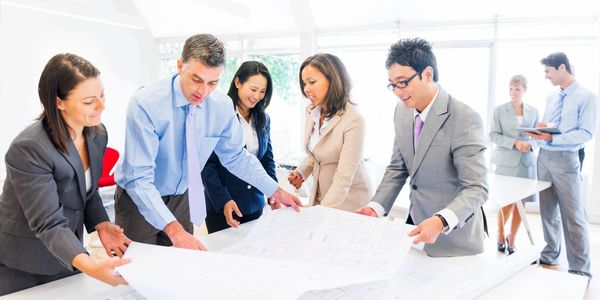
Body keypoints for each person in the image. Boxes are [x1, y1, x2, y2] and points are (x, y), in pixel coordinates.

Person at [114, 34, 301, 250]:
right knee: (138, 267)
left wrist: (275, 190)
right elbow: (139, 178)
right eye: (196, 79)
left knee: (180, 264)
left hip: (182, 197)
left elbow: (236, 157)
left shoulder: (221, 105)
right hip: (139, 197)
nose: (203, 92)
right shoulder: (146, 103)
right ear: (179, 65)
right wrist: (174, 230)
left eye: (212, 83)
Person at [0, 53, 131, 295]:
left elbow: (87, 193)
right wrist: (91, 266)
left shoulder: (96, 133)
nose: (102, 106)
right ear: (59, 102)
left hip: (67, 250)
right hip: (23, 260)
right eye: (89, 100)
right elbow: (48, 222)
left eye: (102, 95)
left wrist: (102, 224)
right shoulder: (29, 148)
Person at [355, 38, 488, 257]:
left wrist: (441, 220)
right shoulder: (401, 111)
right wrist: (375, 207)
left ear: (427, 74)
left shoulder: (464, 118)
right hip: (413, 228)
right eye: (392, 84)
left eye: (403, 82)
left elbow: (477, 187)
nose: (398, 91)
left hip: (453, 238)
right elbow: (398, 168)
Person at [526, 52, 596, 278]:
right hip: (544, 158)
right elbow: (553, 125)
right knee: (547, 212)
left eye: (548, 71)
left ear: (562, 68)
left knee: (573, 215)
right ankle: (550, 254)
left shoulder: (587, 97)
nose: (546, 76)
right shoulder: (551, 96)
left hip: (566, 160)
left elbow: (585, 133)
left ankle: (579, 268)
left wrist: (552, 138)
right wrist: (542, 129)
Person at [287, 53, 373, 211]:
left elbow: (343, 178)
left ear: (333, 80)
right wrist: (301, 172)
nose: (306, 89)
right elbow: (317, 154)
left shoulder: (353, 120)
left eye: (312, 82)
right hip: (322, 197)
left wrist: (319, 213)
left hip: (350, 202)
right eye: (304, 83)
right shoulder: (312, 112)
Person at [201, 61, 278, 233]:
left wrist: (273, 191)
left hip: (255, 203)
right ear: (237, 83)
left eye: (262, 92)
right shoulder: (220, 114)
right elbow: (207, 165)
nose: (257, 96)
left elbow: (267, 160)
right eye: (253, 89)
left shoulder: (263, 119)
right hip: (224, 204)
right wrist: (223, 200)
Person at [489, 75, 539, 255]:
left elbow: (538, 138)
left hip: (526, 163)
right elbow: (493, 135)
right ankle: (500, 236)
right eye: (510, 88)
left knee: (522, 204)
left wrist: (531, 144)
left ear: (524, 90)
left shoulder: (533, 112)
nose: (513, 92)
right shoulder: (499, 110)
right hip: (506, 163)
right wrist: (514, 142)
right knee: (506, 203)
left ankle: (513, 238)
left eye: (517, 89)